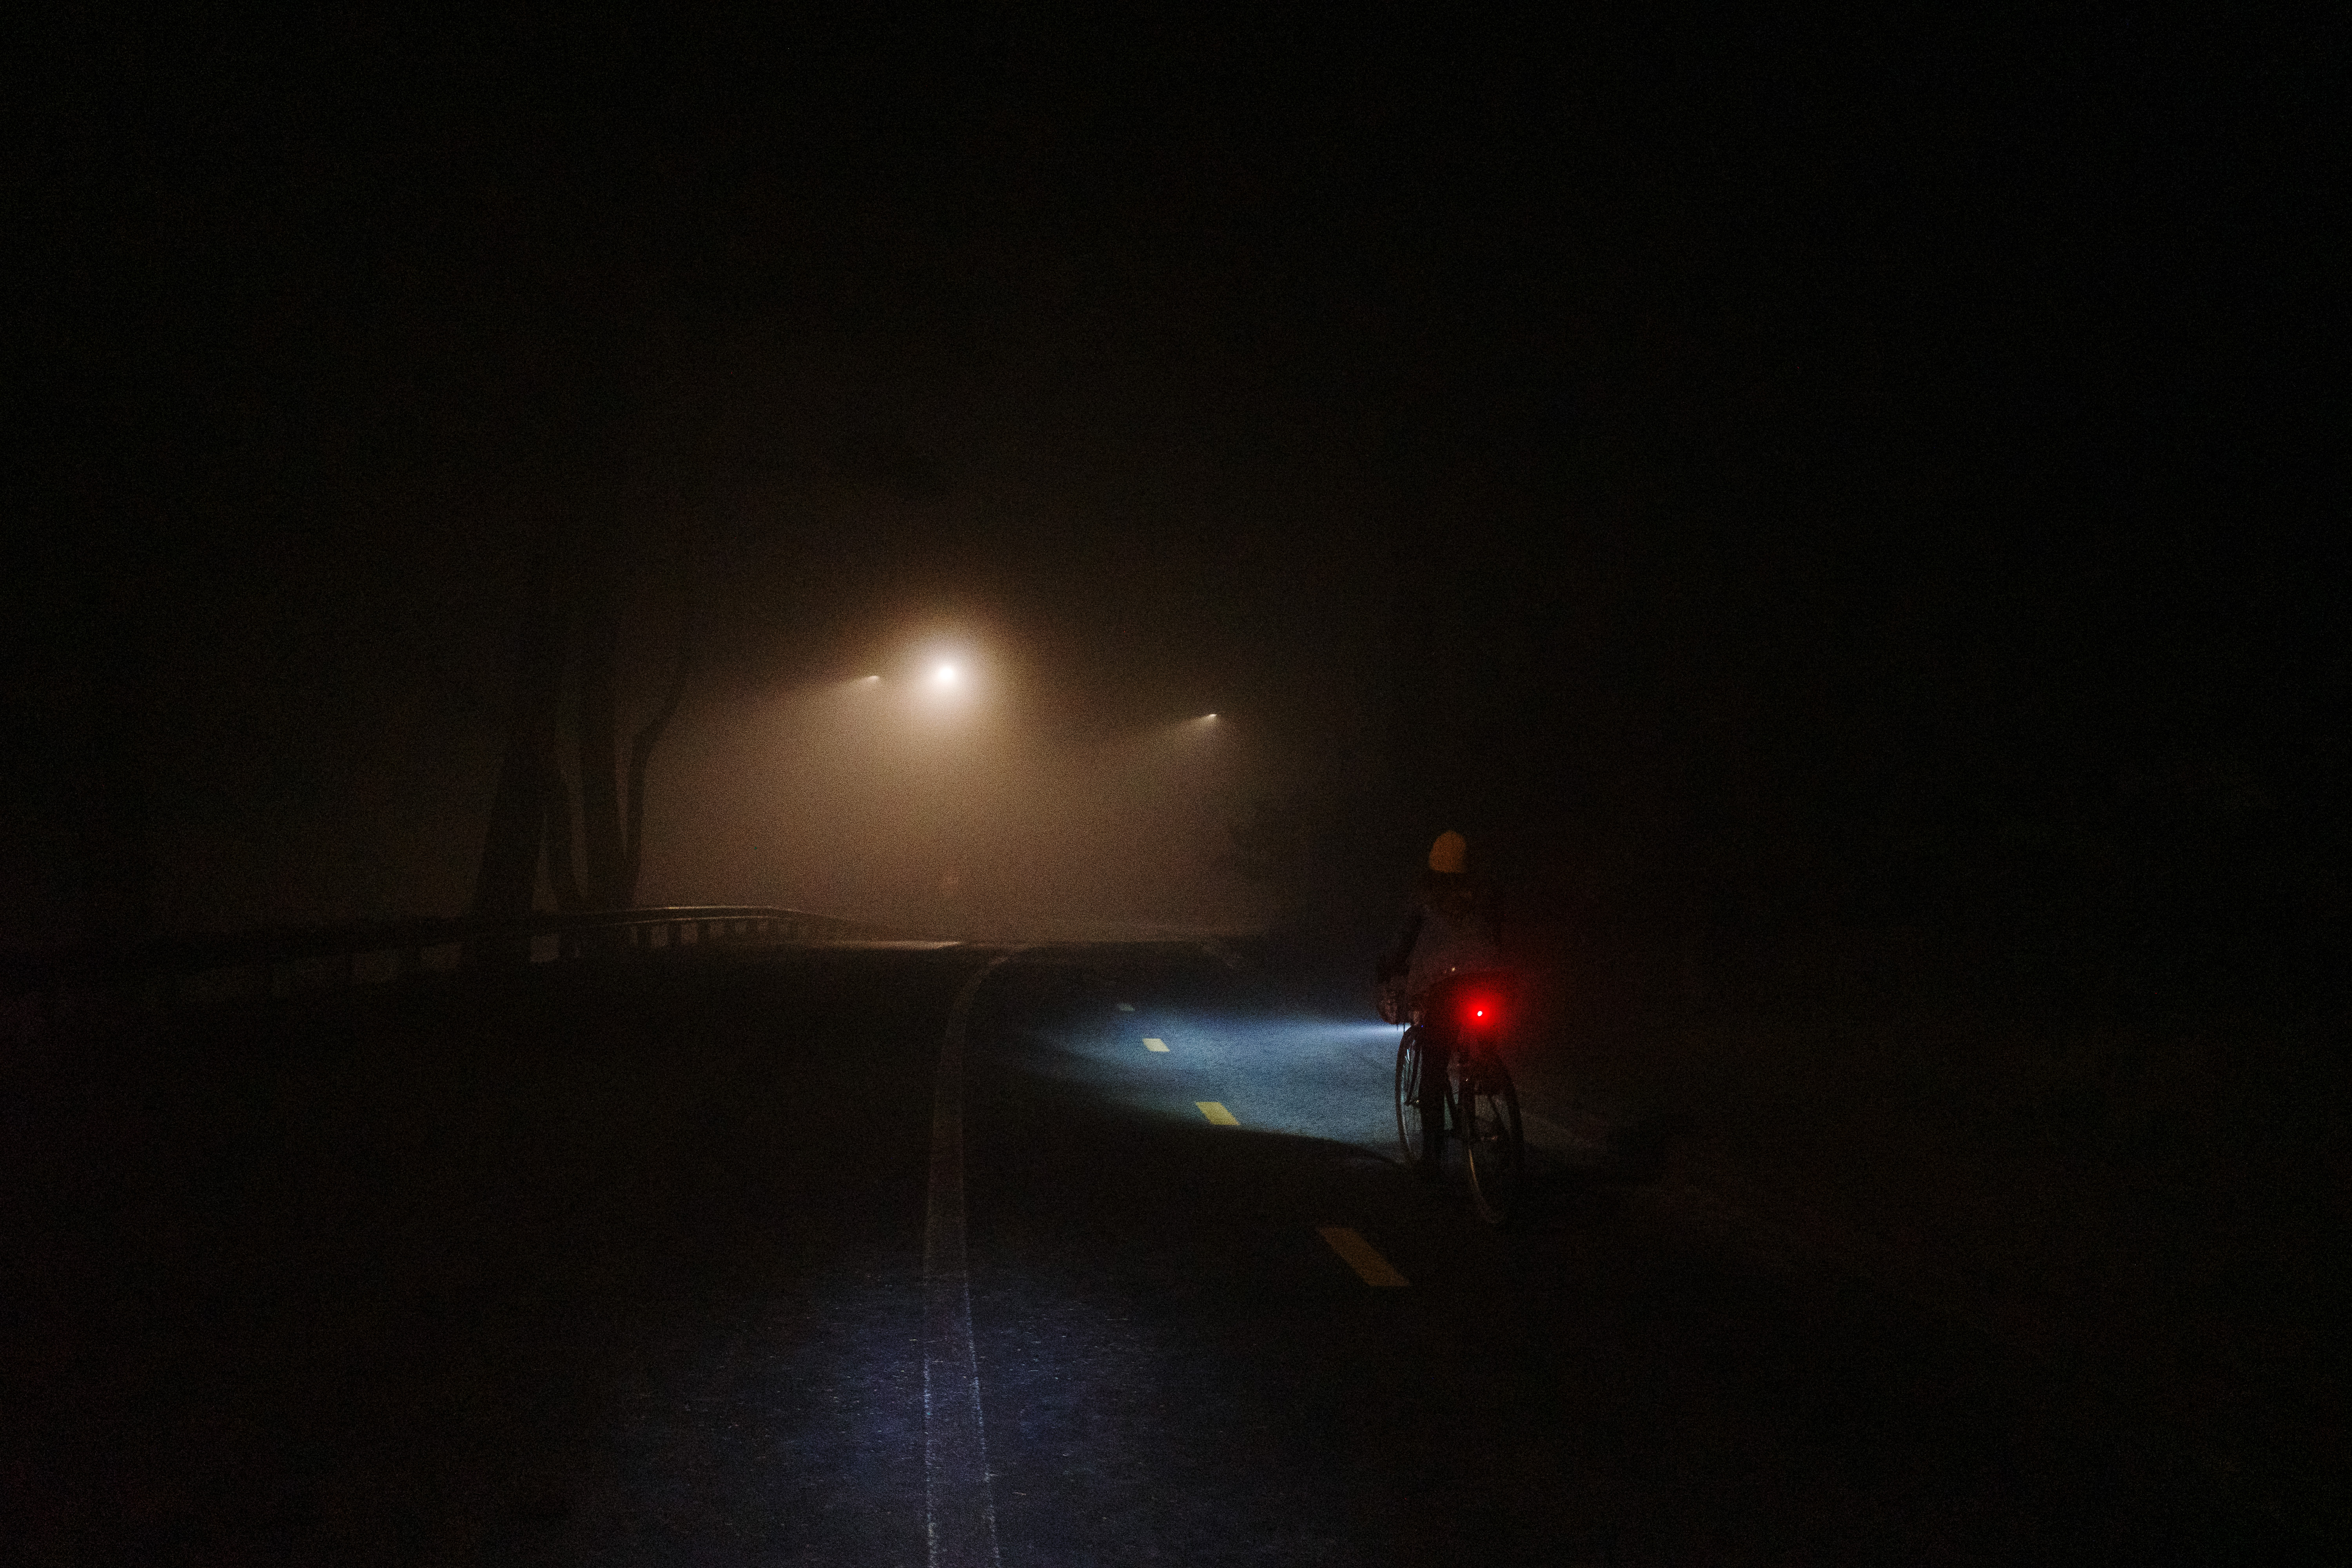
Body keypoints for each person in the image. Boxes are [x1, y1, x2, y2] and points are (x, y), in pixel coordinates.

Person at [1377, 831, 1508, 1170]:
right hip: (1489, 978)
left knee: (1433, 1071)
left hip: (1446, 986)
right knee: (1485, 1030)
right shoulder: (1483, 896)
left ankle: (1432, 1159)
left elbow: (1403, 945)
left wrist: (1387, 971)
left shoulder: (1426, 903)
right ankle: (1488, 1068)